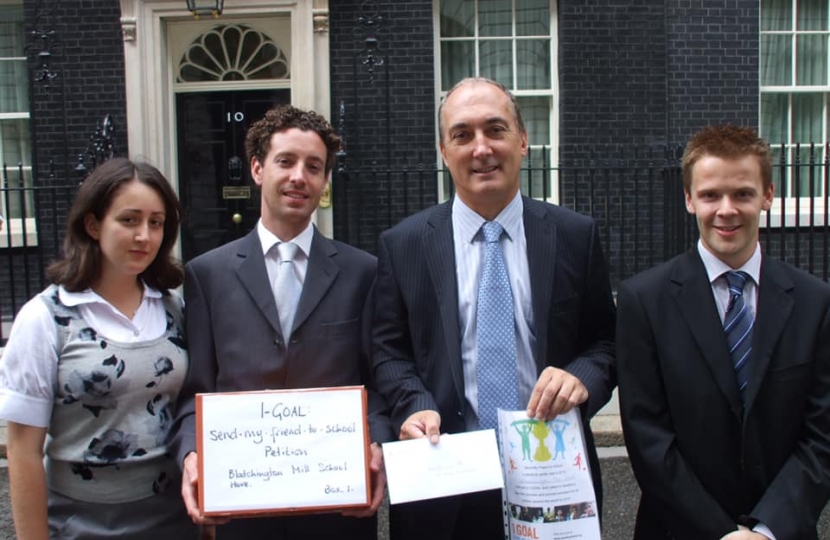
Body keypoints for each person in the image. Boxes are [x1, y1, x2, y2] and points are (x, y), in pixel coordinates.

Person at [372, 77, 617, 540]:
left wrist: (580, 378)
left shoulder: (573, 236)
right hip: (443, 475)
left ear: (522, 141)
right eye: (462, 135)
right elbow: (388, 350)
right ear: (445, 151)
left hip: (551, 473)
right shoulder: (403, 244)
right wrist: (415, 405)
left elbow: (606, 340)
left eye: (495, 130)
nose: (480, 148)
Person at [168, 104, 393, 539]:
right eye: (285, 161)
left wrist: (377, 445)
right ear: (257, 168)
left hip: (337, 508)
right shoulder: (206, 274)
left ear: (325, 181)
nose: (299, 177)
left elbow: (378, 382)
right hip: (241, 508)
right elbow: (194, 391)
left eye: (314, 167)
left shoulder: (363, 271)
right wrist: (192, 454)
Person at [616, 124, 830, 540]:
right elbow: (648, 439)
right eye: (711, 194)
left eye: (743, 193)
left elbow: (822, 435)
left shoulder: (815, 302)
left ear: (767, 196)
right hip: (679, 530)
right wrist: (723, 534)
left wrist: (766, 529)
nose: (726, 209)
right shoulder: (644, 301)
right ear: (689, 199)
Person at [0, 158, 194, 539]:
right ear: (93, 225)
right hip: (81, 523)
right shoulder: (46, 319)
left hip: (173, 519)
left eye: (156, 223)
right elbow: (22, 453)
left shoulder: (175, 309)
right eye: (129, 220)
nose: (145, 236)